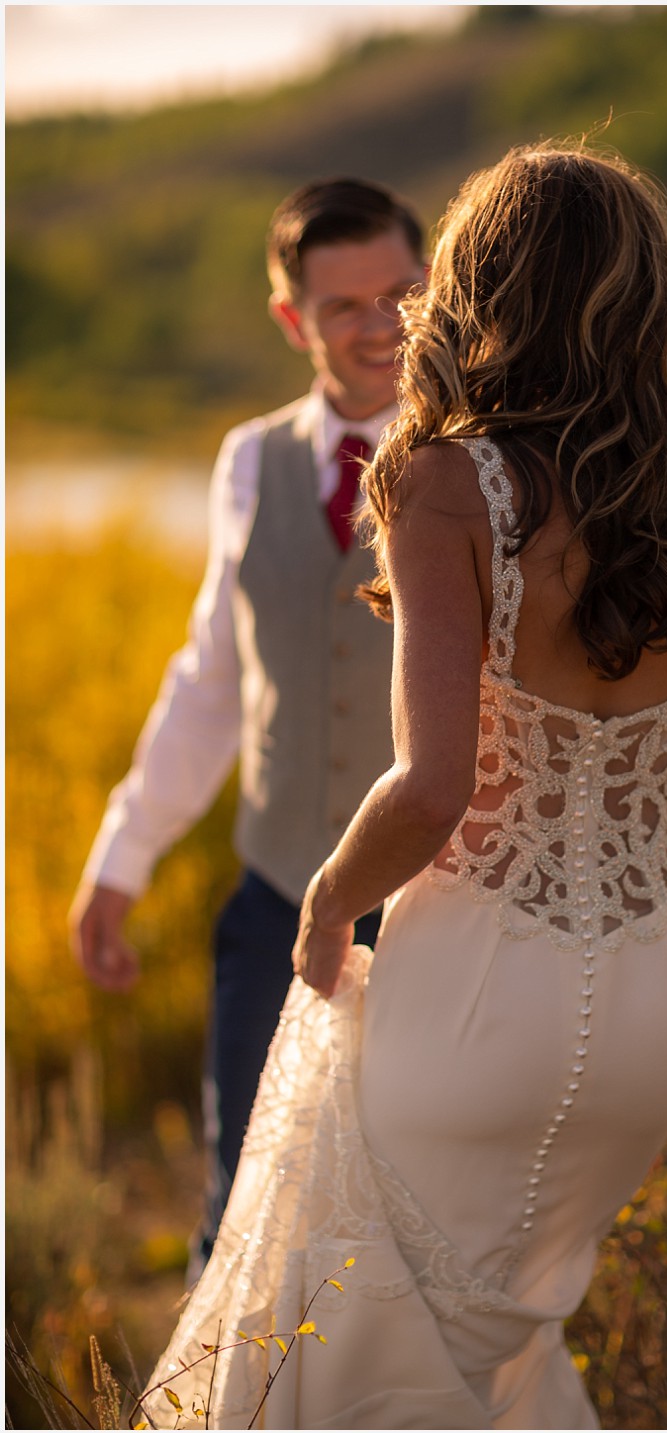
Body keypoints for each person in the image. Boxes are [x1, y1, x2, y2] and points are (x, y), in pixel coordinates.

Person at [141, 143, 667, 1429]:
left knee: (369, 1311)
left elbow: (429, 792)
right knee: (499, 1336)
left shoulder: (441, 484)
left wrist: (322, 910)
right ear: (650, 295)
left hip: (481, 977)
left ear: (477, 287)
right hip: (660, 979)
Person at [68, 177, 427, 1271]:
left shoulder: (491, 458)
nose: (381, 326)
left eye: (401, 293)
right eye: (344, 306)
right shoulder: (249, 461)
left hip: (435, 913)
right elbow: (214, 678)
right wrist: (122, 856)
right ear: (292, 320)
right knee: (245, 1204)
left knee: (413, 1214)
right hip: (273, 896)